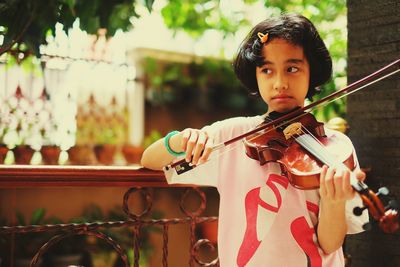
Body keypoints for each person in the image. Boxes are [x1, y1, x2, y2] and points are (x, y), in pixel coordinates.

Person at [141, 13, 369, 267]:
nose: (279, 83)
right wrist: (180, 141)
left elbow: (329, 244)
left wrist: (334, 202)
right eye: (267, 71)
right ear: (257, 76)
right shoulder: (232, 136)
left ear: (311, 72)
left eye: (292, 69)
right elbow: (149, 159)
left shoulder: (335, 147)